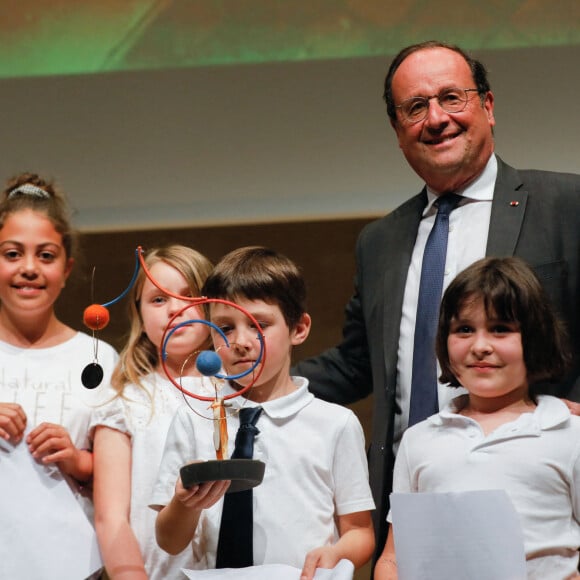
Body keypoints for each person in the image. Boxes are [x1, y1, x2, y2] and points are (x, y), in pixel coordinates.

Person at [294, 40, 580, 557]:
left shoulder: (566, 204)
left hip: (541, 491)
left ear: (488, 107)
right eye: (415, 107)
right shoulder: (379, 241)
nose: (437, 118)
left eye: (453, 97)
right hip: (413, 499)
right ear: (398, 131)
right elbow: (360, 363)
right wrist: (267, 384)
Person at [152, 246, 375, 579]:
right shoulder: (192, 417)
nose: (241, 341)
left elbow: (359, 531)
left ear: (299, 328)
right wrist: (185, 503)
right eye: (225, 328)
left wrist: (336, 553)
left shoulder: (335, 425)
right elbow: (169, 541)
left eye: (259, 325)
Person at [374, 256, 578, 580]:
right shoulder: (419, 439)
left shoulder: (569, 434)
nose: (480, 346)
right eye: (464, 329)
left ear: (535, 338)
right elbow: (393, 559)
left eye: (501, 329)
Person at [91, 245, 214, 580]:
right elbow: (111, 517)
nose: (175, 308)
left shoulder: (241, 393)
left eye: (189, 295)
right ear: (140, 317)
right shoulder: (124, 402)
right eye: (158, 299)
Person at [0, 172, 118, 511]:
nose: (29, 268)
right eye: (12, 254)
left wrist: (77, 460)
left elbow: (127, 479)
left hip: (75, 560)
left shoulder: (99, 358)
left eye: (46, 256)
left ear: (66, 270)